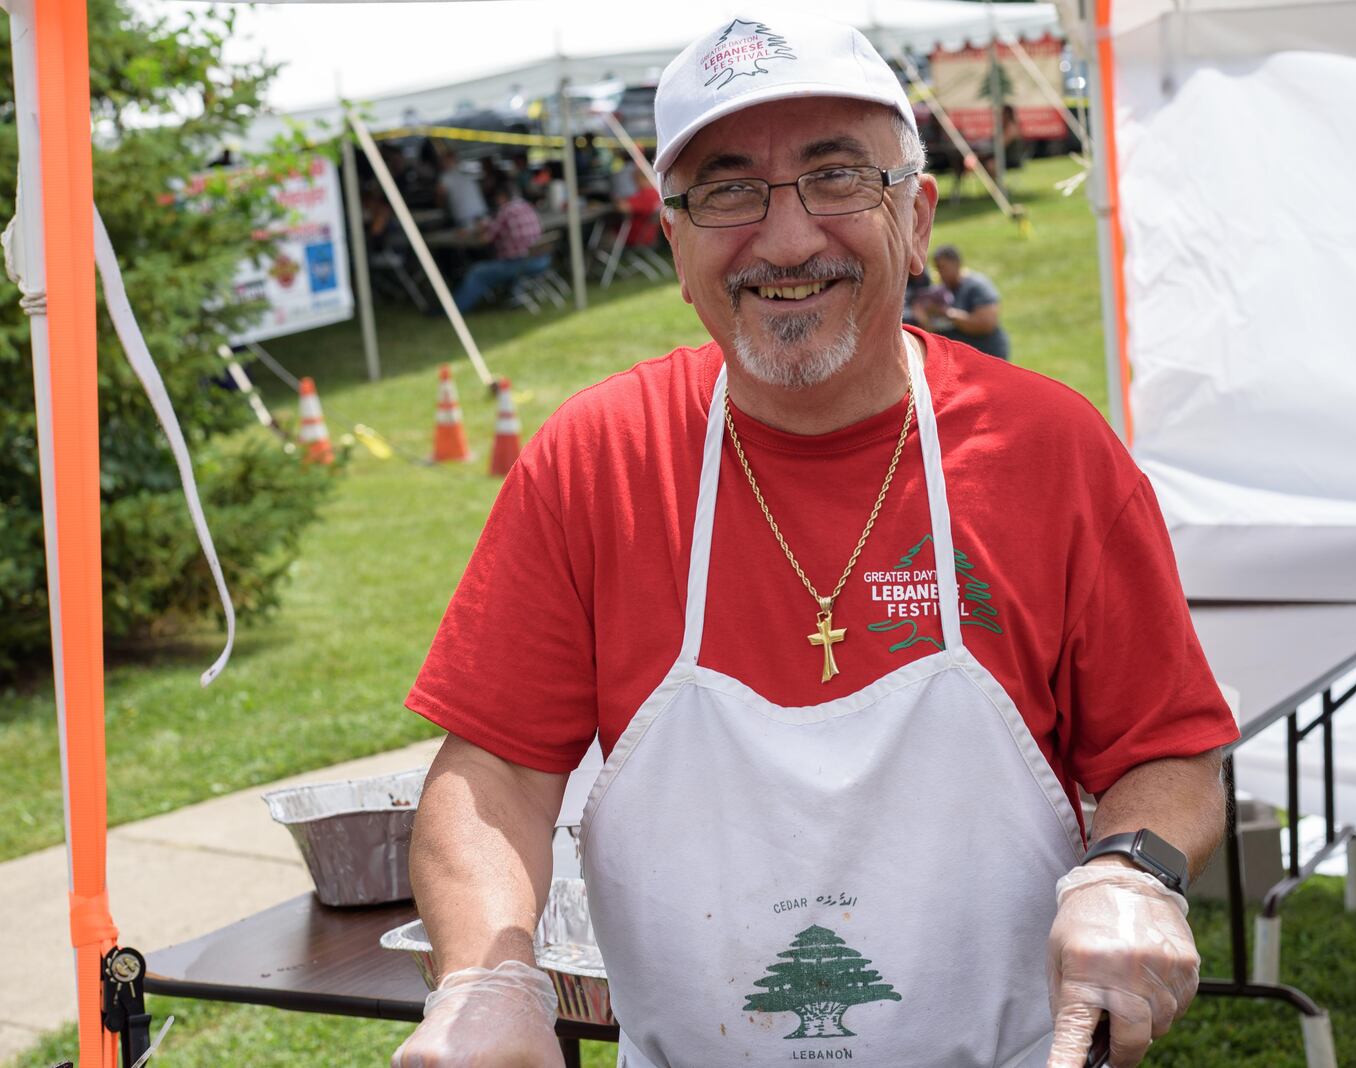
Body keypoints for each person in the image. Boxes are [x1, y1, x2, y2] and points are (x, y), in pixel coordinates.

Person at [393, 12, 1236, 1068]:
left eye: (838, 178)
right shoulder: (598, 461)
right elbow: (496, 776)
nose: (787, 241)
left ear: (917, 214)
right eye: (729, 190)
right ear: (675, 240)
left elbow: (1166, 747)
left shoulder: (1046, 449)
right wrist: (486, 975)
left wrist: (1131, 873)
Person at [447, 174, 550, 314]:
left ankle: (454, 310)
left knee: (477, 272)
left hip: (521, 263)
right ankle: (509, 296)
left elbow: (486, 239)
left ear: (501, 197)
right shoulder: (525, 206)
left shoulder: (505, 210)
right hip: (541, 259)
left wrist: (475, 231)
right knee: (491, 264)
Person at [914, 243, 1012, 360]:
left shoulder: (977, 286)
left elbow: (986, 323)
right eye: (938, 269)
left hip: (988, 354)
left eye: (943, 268)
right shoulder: (940, 292)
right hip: (961, 359)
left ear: (956, 264)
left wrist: (947, 314)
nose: (940, 273)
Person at [435, 144, 489, 227]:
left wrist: (441, 207)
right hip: (480, 213)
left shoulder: (446, 177)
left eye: (444, 160)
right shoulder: (467, 168)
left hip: (466, 218)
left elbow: (440, 197)